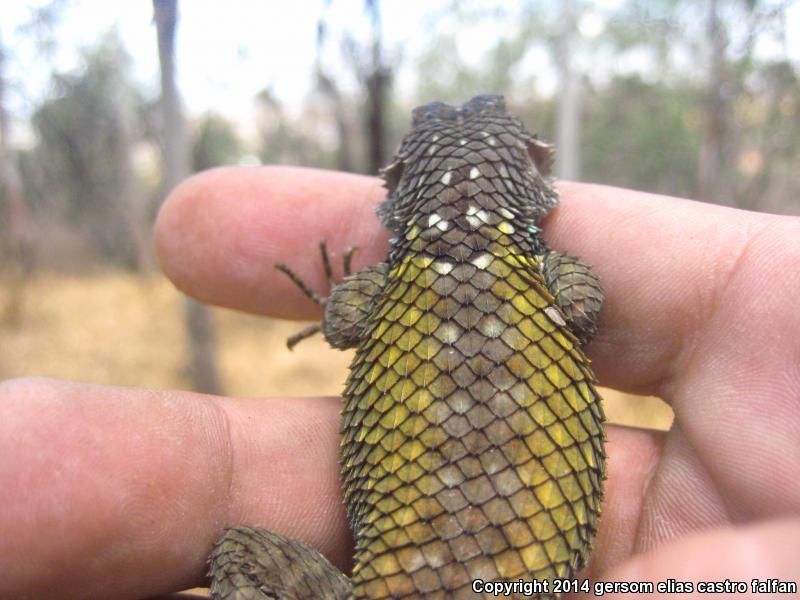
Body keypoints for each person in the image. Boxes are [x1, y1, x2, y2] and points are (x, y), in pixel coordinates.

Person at [1, 166, 798, 599]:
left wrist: (335, 299)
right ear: (531, 189)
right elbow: (584, 311)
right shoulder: (548, 271)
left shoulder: (385, 289)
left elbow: (344, 325)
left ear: (401, 193)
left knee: (240, 546)